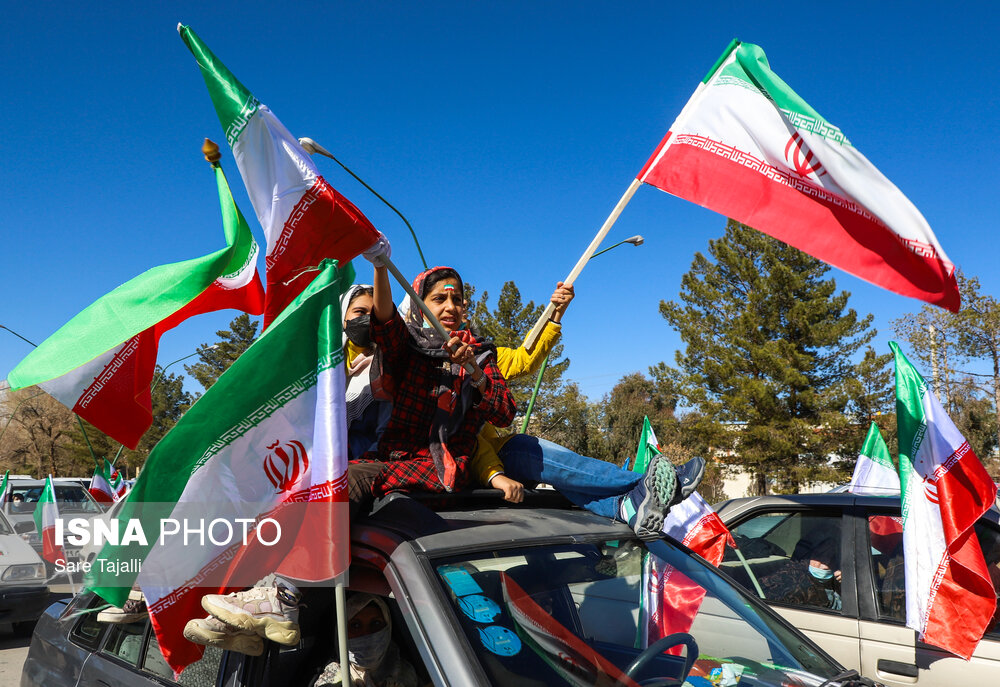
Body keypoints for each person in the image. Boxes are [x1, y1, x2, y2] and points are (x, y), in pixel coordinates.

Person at [347, 237, 517, 519]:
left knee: (349, 481)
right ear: (418, 306)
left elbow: (505, 413)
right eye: (439, 299)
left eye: (457, 300)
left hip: (446, 469)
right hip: (392, 461)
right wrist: (380, 266)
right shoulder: (409, 347)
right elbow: (387, 325)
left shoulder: (480, 355)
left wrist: (472, 369)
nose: (451, 307)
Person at [312, 593, 418, 687]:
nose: (366, 634)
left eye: (376, 624)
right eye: (355, 625)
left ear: (387, 628)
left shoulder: (407, 674)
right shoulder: (332, 680)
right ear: (341, 633)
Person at [342, 284, 392, 458]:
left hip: (364, 461)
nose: (367, 319)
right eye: (360, 312)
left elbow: (384, 430)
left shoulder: (386, 364)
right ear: (343, 316)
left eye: (374, 315)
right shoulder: (327, 364)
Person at [759, 537, 841, 610]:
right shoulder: (793, 581)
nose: (826, 563)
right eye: (820, 556)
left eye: (832, 558)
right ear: (811, 555)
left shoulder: (839, 579)